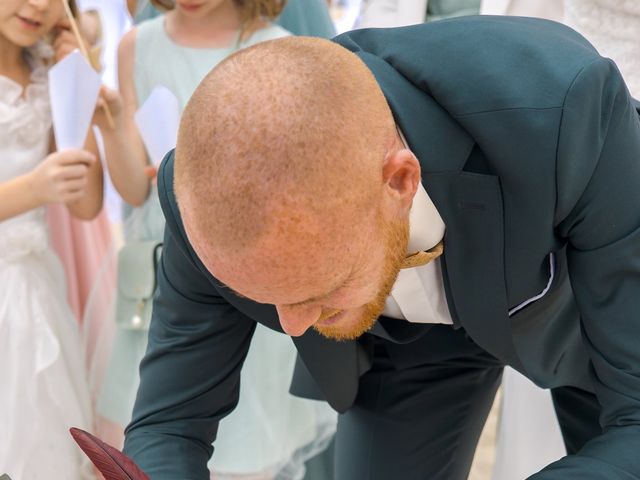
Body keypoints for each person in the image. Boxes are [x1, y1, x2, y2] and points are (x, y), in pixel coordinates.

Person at [118, 14, 640, 480]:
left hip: (581, 313)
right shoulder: (199, 203)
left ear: (399, 181)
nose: (294, 326)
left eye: (318, 288)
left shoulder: (566, 112)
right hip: (401, 344)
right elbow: (169, 423)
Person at [92, 0, 335, 477]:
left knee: (245, 447)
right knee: (158, 431)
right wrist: (114, 127)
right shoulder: (136, 46)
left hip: (243, 277)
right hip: (161, 279)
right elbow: (135, 190)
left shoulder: (278, 49)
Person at [0, 0, 104, 477]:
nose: (38, 5)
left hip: (36, 292)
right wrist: (33, 190)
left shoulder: (46, 70)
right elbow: (45, 187)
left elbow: (85, 204)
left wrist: (73, 82)